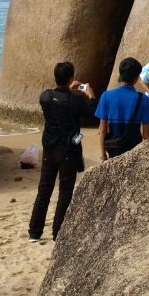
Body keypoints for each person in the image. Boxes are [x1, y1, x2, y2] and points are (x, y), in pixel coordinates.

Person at [28, 62, 96, 243]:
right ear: (71, 78)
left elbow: (57, 99)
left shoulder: (45, 97)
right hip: (68, 151)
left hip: (49, 151)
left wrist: (68, 89)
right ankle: (58, 233)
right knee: (65, 192)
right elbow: (93, 115)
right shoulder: (77, 101)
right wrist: (90, 96)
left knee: (44, 190)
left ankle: (34, 233)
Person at [96, 58, 149, 160]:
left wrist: (103, 155)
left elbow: (103, 129)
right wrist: (147, 156)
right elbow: (146, 132)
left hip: (113, 150)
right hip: (134, 151)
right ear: (136, 78)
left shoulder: (106, 96)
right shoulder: (143, 100)